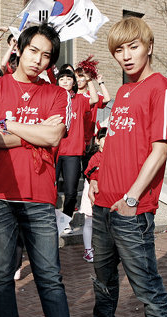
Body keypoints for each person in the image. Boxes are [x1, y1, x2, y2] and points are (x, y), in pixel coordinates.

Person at [0, 23, 89, 317]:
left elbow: (54, 136)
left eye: (47, 55)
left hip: (40, 198)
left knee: (50, 278)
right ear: (20, 49)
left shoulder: (58, 94)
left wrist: (8, 124)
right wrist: (32, 131)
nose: (39, 60)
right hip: (1, 195)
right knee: (1, 276)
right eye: (33, 51)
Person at [78, 16, 167, 317]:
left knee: (148, 290)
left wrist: (133, 198)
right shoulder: (122, 92)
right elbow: (112, 145)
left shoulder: (162, 89)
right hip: (104, 203)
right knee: (103, 280)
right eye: (119, 50)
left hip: (131, 210)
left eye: (133, 47)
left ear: (149, 47)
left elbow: (159, 150)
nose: (126, 55)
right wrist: (95, 175)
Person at [55, 68, 98, 222]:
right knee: (49, 188)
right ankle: (49, 219)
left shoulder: (79, 99)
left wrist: (89, 80)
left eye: (68, 78)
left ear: (74, 82)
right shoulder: (53, 99)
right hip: (54, 151)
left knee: (71, 192)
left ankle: (65, 220)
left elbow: (94, 99)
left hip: (73, 152)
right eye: (62, 79)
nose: (65, 81)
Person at [79, 127, 106, 263]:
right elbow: (88, 173)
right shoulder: (93, 157)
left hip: (106, 193)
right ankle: (88, 250)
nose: (107, 142)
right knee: (89, 221)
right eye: (104, 138)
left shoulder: (115, 156)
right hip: (91, 191)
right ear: (97, 140)